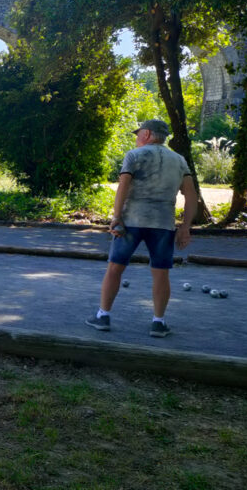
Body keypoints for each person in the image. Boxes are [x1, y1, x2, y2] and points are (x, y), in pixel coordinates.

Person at [86, 119, 197, 337]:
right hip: (163, 224)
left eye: (138, 134)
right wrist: (185, 227)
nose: (136, 138)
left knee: (115, 268)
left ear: (146, 134)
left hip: (131, 222)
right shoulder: (179, 160)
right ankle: (158, 322)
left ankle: (103, 316)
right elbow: (191, 195)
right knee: (161, 273)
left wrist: (116, 217)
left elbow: (123, 186)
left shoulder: (135, 155)